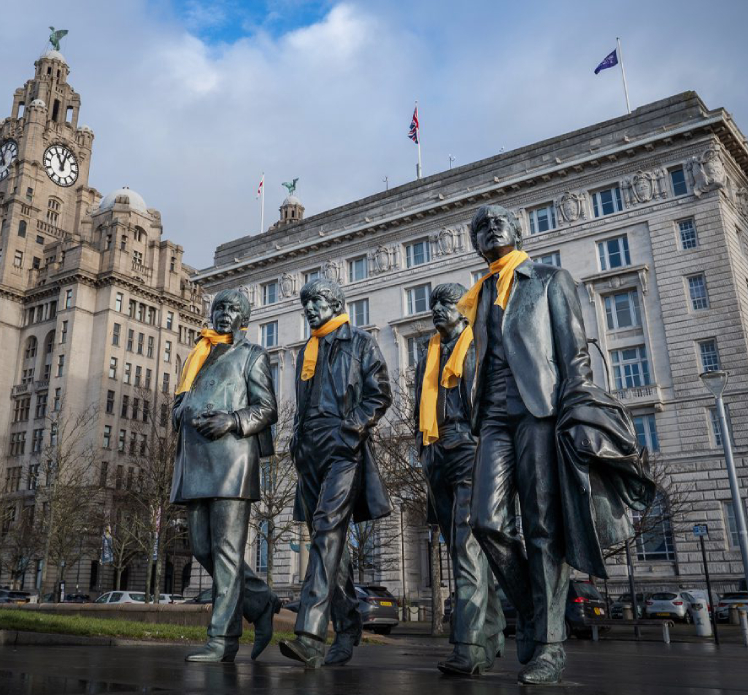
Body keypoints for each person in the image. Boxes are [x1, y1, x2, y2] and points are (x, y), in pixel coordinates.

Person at [463, 205, 654, 684]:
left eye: (498, 221)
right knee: (486, 521)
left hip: (542, 411)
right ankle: (531, 612)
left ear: (518, 229)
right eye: (480, 227)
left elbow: (574, 352)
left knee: (544, 527)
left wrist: (575, 410)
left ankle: (549, 644)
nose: (490, 228)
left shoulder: (549, 278)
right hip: (492, 417)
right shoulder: (480, 292)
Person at [279, 276, 393, 668]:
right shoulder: (304, 352)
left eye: (318, 300)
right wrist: (295, 440)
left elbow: (380, 394)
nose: (310, 308)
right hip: (308, 449)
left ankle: (310, 635)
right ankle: (347, 625)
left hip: (344, 446)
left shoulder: (360, 342)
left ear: (336, 302)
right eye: (306, 302)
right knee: (333, 546)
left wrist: (352, 430)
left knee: (327, 531)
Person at [171, 289, 282, 662]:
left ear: (243, 318)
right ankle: (261, 601)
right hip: (196, 460)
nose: (224, 314)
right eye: (219, 308)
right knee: (202, 547)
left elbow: (267, 408)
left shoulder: (252, 355)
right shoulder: (199, 354)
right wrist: (180, 411)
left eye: (233, 309)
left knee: (226, 551)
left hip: (232, 461)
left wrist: (232, 420)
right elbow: (183, 398)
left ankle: (222, 640)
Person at [414, 283, 506, 676]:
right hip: (437, 451)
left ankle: (467, 645)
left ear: (463, 310)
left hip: (471, 448)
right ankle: (493, 631)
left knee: (468, 546)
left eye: (446, 304)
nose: (438, 310)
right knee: (461, 548)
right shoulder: (427, 356)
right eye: (434, 304)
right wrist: (423, 449)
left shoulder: (481, 345)